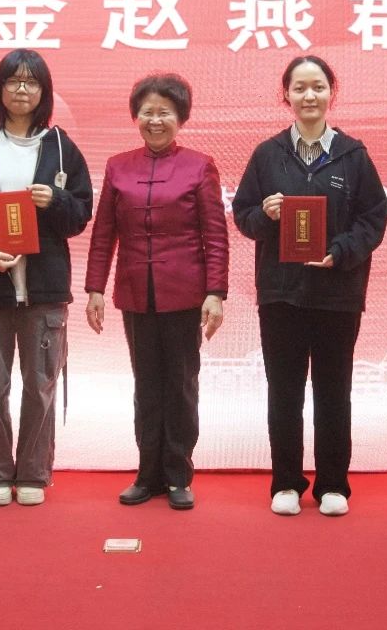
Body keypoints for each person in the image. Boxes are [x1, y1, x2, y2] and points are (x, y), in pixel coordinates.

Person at [232, 56, 387, 517]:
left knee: (334, 392)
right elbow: (243, 216)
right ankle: (286, 483)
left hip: (337, 295)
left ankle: (333, 484)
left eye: (318, 86)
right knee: (284, 393)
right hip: (280, 295)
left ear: (331, 92)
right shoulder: (267, 154)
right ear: (286, 95)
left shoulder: (353, 155)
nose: (309, 96)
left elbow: (373, 220)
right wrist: (266, 214)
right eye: (299, 87)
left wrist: (340, 251)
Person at [0, 50, 93, 507]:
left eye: (32, 82)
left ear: (44, 92)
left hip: (44, 289)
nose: (22, 90)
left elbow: (81, 213)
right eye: (13, 81)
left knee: (41, 384)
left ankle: (33, 474)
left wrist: (56, 201)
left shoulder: (61, 147)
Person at [84, 73, 228, 511]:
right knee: (146, 385)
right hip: (135, 292)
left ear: (180, 117)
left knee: (181, 385)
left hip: (185, 294)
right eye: (147, 112)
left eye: (165, 112)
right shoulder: (118, 166)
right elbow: (103, 233)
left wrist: (216, 292)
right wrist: (94, 288)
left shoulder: (200, 166)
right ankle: (147, 474)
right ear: (136, 117)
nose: (155, 120)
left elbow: (215, 235)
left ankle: (179, 475)